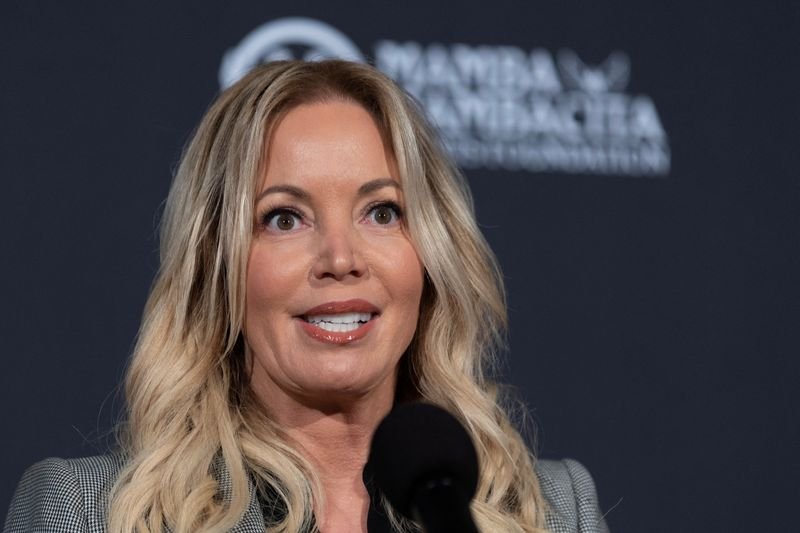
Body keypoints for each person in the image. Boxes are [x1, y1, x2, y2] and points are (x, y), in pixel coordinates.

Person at [4, 60, 609, 533]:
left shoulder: (553, 512)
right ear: (216, 265)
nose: (341, 259)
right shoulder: (83, 512)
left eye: (382, 212)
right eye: (285, 219)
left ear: (431, 254)